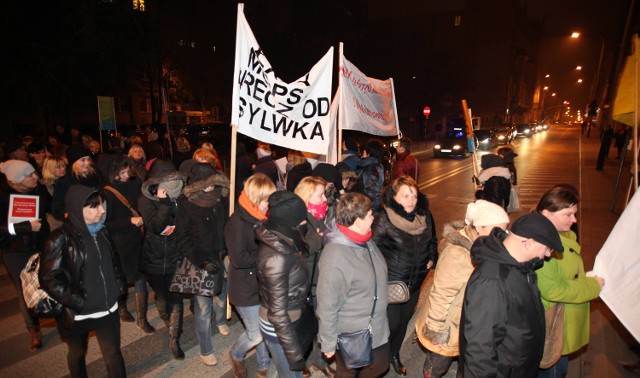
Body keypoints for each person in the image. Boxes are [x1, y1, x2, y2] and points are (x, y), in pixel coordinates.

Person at [459, 213, 564, 377]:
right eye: (547, 248)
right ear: (528, 244)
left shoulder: (519, 267)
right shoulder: (492, 281)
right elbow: (480, 350)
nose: (548, 254)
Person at [39, 186, 127, 377]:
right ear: (78, 209)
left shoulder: (103, 232)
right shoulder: (59, 239)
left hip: (107, 309)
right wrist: (78, 301)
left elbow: (114, 263)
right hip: (78, 313)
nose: (102, 211)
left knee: (113, 354)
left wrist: (119, 288)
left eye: (101, 205)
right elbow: (49, 278)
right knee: (77, 353)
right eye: (94, 207)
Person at [417, 200, 510, 378]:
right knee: (437, 364)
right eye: (497, 229)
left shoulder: (483, 245)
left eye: (505, 229)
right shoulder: (459, 254)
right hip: (449, 324)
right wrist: (436, 331)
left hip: (467, 320)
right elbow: (441, 294)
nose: (502, 235)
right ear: (479, 227)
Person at [316, 192, 390, 377]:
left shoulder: (364, 239)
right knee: (349, 373)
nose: (374, 217)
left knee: (379, 367)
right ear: (358, 220)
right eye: (370, 214)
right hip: (353, 334)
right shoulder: (335, 256)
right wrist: (328, 342)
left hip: (376, 327)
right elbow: (327, 303)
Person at [371, 176, 437, 376]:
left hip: (415, 282)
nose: (411, 200)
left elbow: (432, 240)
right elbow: (370, 249)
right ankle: (377, 361)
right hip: (391, 283)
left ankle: (394, 354)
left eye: (414, 196)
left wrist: (432, 257)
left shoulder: (424, 216)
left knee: (405, 321)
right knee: (392, 324)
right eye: (406, 196)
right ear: (394, 196)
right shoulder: (384, 218)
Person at [535, 187, 604, 377]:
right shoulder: (543, 244)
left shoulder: (561, 236)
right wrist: (592, 286)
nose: (574, 220)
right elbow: (553, 290)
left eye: (574, 214)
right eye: (568, 214)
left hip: (562, 319)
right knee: (555, 370)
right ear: (546, 213)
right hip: (554, 325)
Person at [175, 162, 229, 366]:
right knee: (203, 308)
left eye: (213, 184)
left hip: (221, 257)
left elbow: (227, 227)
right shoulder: (187, 206)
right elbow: (182, 239)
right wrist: (200, 261)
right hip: (199, 262)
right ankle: (206, 349)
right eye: (206, 185)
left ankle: (221, 320)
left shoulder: (221, 200)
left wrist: (228, 251)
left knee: (222, 296)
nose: (210, 189)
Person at [256, 191, 311, 377]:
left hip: (290, 318)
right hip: (280, 326)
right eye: (302, 219)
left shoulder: (286, 239)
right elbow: (277, 314)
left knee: (278, 366)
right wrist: (295, 355)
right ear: (291, 221)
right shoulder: (276, 256)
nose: (306, 222)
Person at [226, 173, 276, 377]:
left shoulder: (261, 217)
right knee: (255, 334)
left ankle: (263, 365)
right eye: (266, 200)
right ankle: (236, 354)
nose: (269, 204)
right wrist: (266, 253)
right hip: (244, 287)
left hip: (261, 283)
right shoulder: (236, 222)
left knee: (264, 327)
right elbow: (238, 259)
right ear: (256, 199)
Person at [138, 159, 187, 359]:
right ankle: (169, 322)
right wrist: (164, 204)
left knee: (176, 298)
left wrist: (174, 203)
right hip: (154, 258)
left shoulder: (180, 196)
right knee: (162, 297)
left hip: (175, 255)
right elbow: (156, 227)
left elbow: (183, 222)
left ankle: (174, 340)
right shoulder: (145, 200)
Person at [0, 160, 50, 351]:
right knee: (25, 289)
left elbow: (53, 208)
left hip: (41, 244)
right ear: (15, 182)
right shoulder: (3, 198)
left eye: (34, 173)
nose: (36, 177)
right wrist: (24, 227)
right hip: (15, 251)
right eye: (30, 176)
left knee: (48, 281)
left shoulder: (39, 190)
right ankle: (33, 328)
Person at [103, 156, 153, 333]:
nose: (125, 175)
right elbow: (106, 223)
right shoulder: (107, 193)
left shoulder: (134, 184)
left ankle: (142, 318)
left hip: (138, 240)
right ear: (114, 173)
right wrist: (129, 221)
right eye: (121, 172)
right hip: (121, 244)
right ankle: (122, 308)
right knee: (122, 279)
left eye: (127, 171)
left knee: (140, 278)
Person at [294, 176, 334, 375]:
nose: (325, 200)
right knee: (302, 325)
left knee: (320, 322)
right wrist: (319, 237)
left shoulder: (322, 216)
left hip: (320, 280)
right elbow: (302, 248)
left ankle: (319, 359)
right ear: (307, 197)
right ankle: (300, 361)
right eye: (321, 196)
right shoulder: (296, 219)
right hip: (304, 281)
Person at [52, 144, 103, 220]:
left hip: (98, 216)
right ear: (73, 162)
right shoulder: (65, 181)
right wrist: (68, 215)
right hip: (78, 221)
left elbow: (103, 191)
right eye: (83, 160)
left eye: (88, 159)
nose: (87, 163)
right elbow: (56, 208)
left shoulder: (95, 173)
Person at [356, 139, 386, 213]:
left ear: (367, 152)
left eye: (363, 151)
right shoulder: (377, 165)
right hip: (374, 206)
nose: (362, 153)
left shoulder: (370, 168)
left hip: (368, 208)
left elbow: (371, 193)